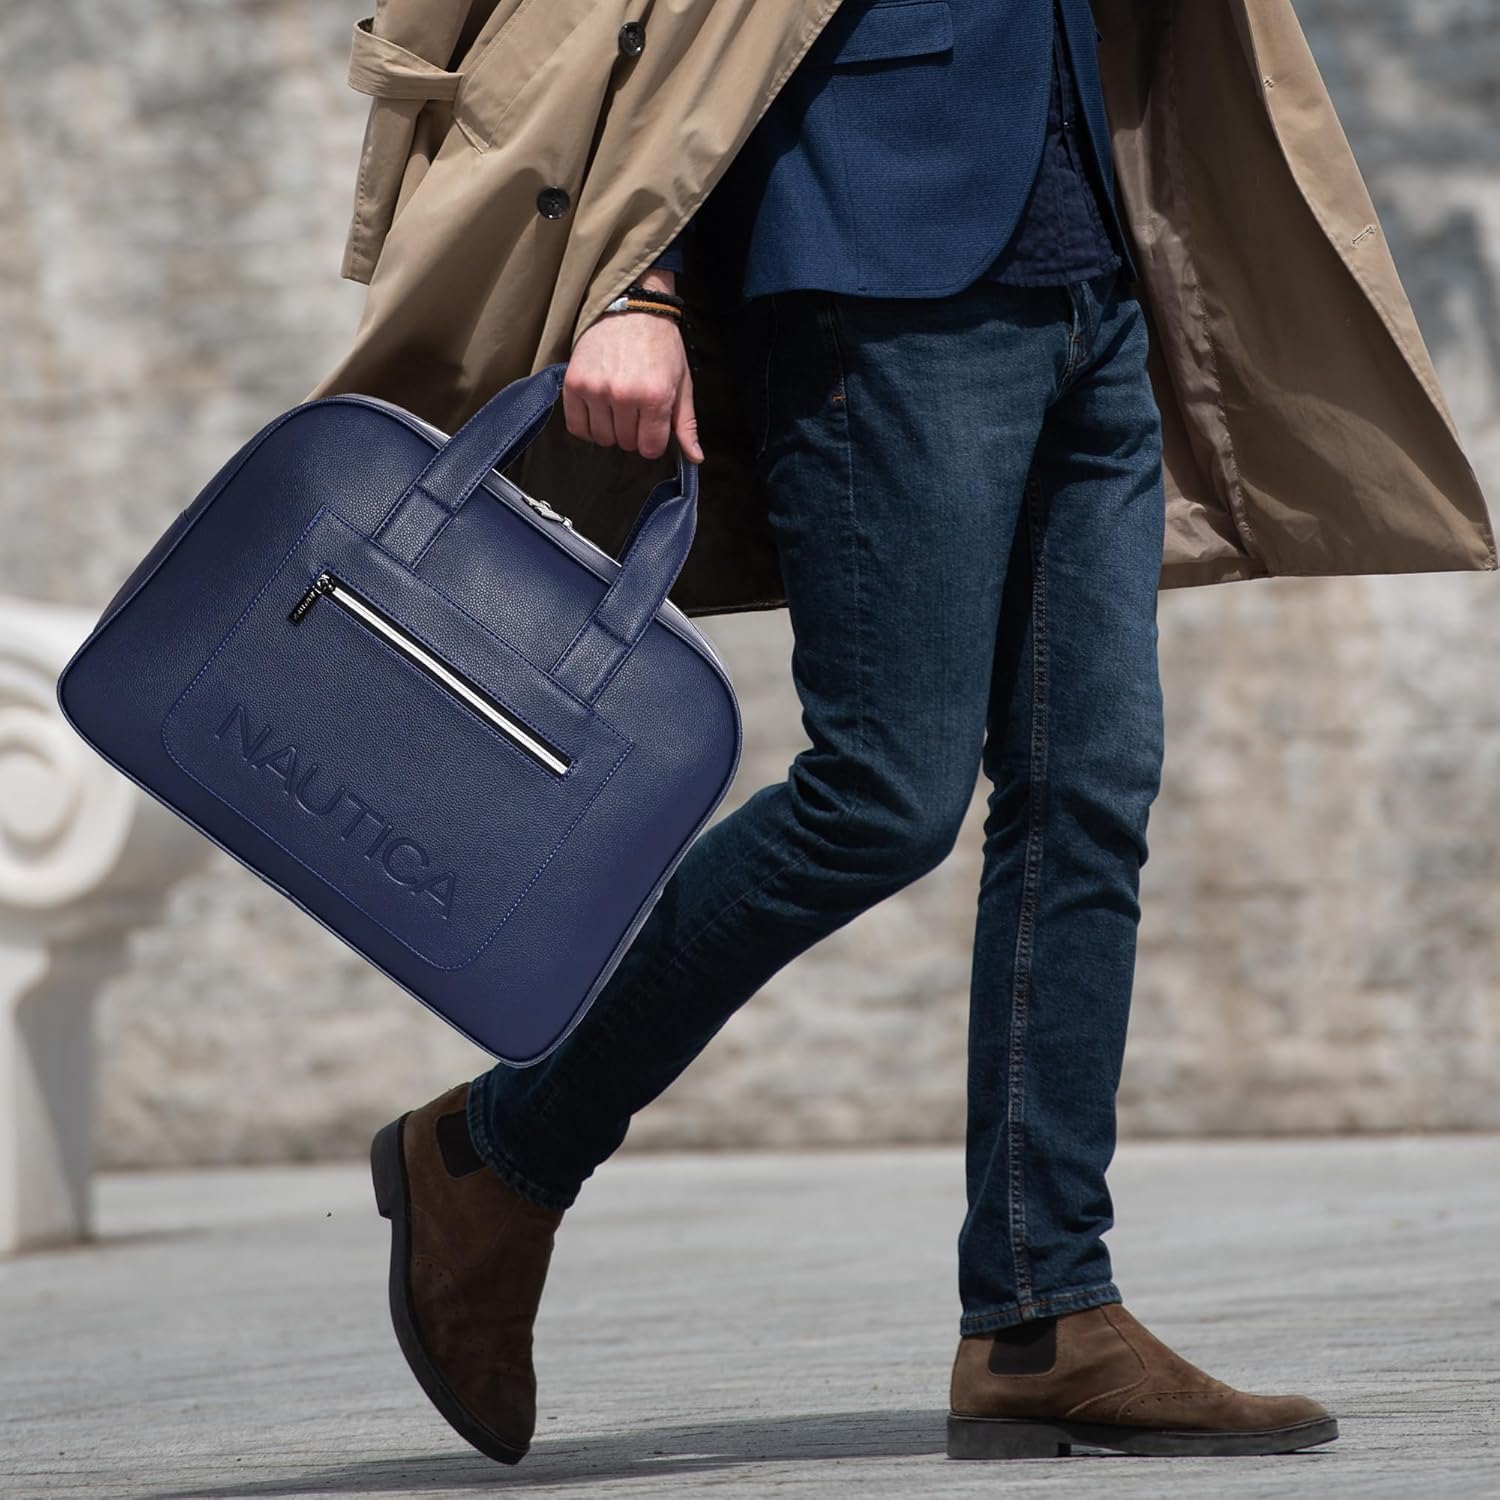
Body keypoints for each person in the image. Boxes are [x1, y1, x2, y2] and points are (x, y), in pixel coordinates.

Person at [366, 0, 1348, 1465]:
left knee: (1088, 791)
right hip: (879, 269)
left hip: (1088, 274)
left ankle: (1040, 1314)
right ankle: (498, 1151)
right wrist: (637, 282)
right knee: (882, 790)